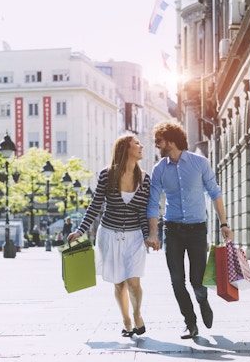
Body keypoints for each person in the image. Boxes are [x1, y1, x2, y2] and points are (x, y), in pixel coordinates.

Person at [146, 120, 233, 339]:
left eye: (159, 141)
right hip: (173, 230)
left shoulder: (199, 163)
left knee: (197, 280)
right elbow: (153, 202)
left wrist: (224, 224)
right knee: (177, 280)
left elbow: (214, 192)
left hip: (196, 230)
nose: (156, 145)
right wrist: (154, 233)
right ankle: (190, 322)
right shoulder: (159, 170)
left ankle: (202, 300)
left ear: (171, 141)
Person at [68, 134, 159, 338]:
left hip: (134, 236)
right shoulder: (106, 175)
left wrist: (147, 236)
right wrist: (80, 230)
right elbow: (95, 205)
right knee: (119, 282)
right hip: (109, 233)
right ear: (125, 149)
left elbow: (142, 211)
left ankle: (137, 315)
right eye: (136, 143)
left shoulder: (144, 178)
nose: (141, 146)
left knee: (134, 282)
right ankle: (126, 321)